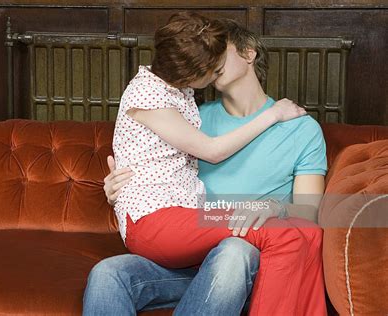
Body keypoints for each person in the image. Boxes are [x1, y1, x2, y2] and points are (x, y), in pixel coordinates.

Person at [83, 16, 327, 316]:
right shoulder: (192, 118)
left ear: (249, 53)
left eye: (218, 49)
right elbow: (158, 158)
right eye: (205, 53)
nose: (211, 59)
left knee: (233, 251)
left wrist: (277, 208)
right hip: (188, 246)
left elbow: (310, 212)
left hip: (242, 255)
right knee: (107, 274)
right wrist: (119, 187)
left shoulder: (300, 128)